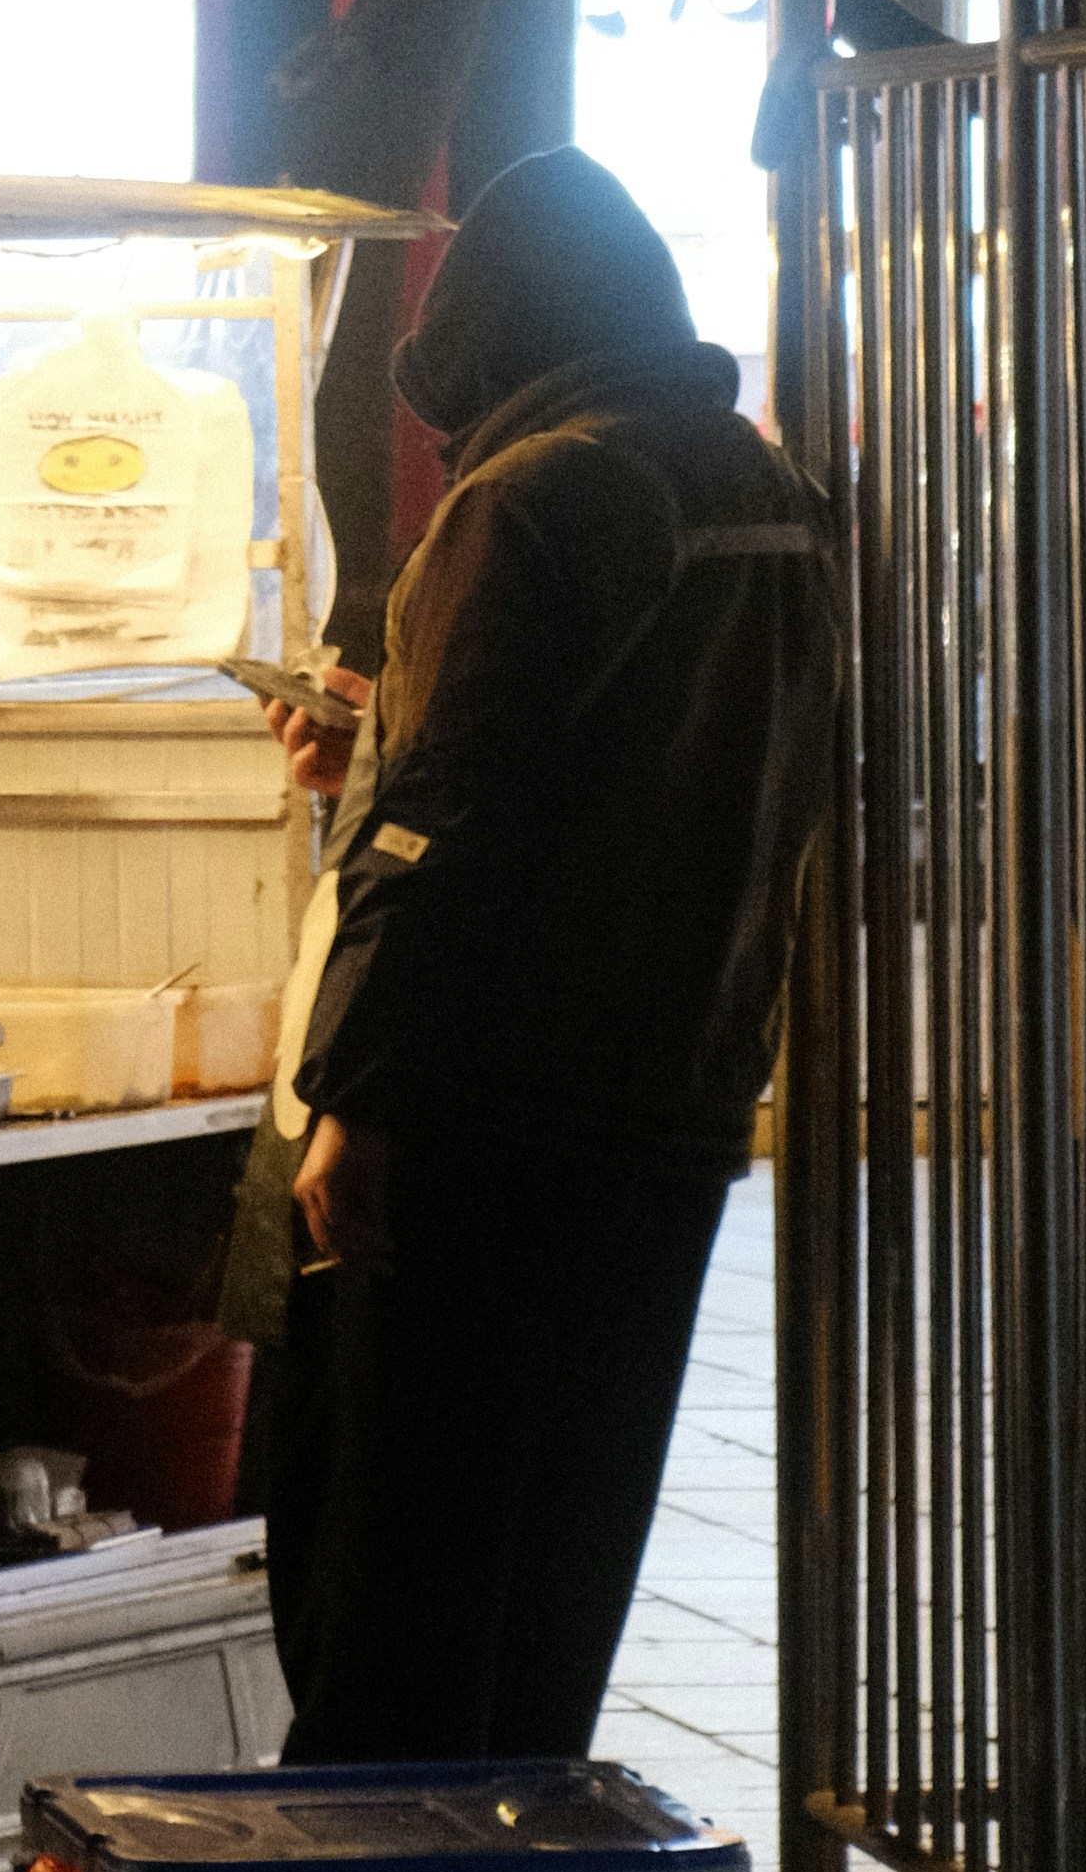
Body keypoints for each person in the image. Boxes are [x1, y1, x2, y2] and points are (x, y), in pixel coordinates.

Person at [261, 144, 841, 1767]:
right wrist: (380, 736)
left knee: (391, 1585)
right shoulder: (766, 491)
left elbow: (443, 833)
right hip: (676, 1103)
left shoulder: (534, 496)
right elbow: (620, 767)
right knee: (560, 1569)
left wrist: (352, 1099)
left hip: (484, 1125)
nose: (448, 446)